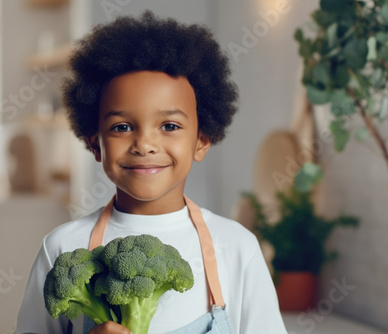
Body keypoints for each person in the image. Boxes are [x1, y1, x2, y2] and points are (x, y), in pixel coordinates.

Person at [16, 9, 288, 334]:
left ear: (201, 141)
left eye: (169, 125)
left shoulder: (237, 248)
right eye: (122, 126)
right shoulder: (61, 248)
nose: (144, 144)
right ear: (95, 144)